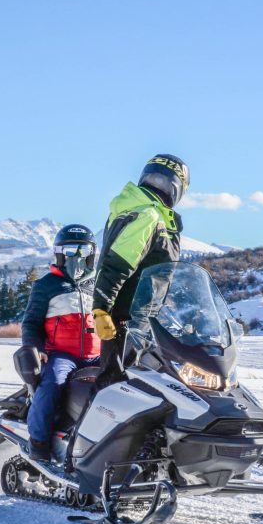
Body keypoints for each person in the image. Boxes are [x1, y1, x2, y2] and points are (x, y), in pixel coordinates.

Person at [92, 154, 189, 385]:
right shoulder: (149, 215)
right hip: (129, 320)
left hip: (144, 319)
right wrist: (101, 308)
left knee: (144, 386)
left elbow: (157, 274)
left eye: (162, 181)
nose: (160, 187)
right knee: (119, 386)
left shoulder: (146, 212)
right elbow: (118, 263)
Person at [21, 224, 101, 461]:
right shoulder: (46, 285)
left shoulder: (98, 286)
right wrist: (37, 349)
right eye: (69, 250)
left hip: (96, 354)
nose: (76, 256)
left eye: (82, 250)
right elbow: (31, 323)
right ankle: (38, 442)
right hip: (62, 354)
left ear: (92, 254)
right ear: (59, 253)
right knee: (53, 382)